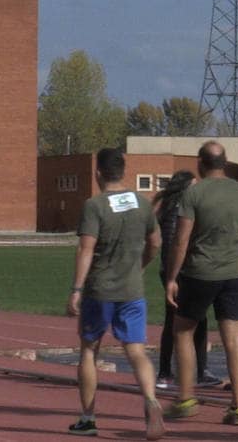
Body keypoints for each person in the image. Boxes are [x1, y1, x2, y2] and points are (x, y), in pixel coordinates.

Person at [65, 148, 165, 440]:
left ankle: (88, 417)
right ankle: (150, 399)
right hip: (132, 289)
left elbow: (86, 248)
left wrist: (76, 288)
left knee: (88, 349)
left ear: (98, 173)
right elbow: (155, 242)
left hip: (100, 289)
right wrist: (141, 265)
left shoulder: (94, 206)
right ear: (125, 171)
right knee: (136, 349)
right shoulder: (142, 204)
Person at [163, 141, 238, 426]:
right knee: (233, 336)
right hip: (236, 272)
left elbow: (181, 239)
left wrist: (171, 277)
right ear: (225, 162)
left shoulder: (194, 193)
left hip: (200, 271)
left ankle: (185, 398)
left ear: (200, 163)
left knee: (183, 331)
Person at [153, 170, 221, 390]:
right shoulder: (178, 209)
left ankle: (170, 371)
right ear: (184, 187)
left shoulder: (173, 206)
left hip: (175, 271)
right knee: (193, 321)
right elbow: (175, 242)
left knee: (178, 320)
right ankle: (193, 372)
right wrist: (177, 272)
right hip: (180, 272)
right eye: (193, 184)